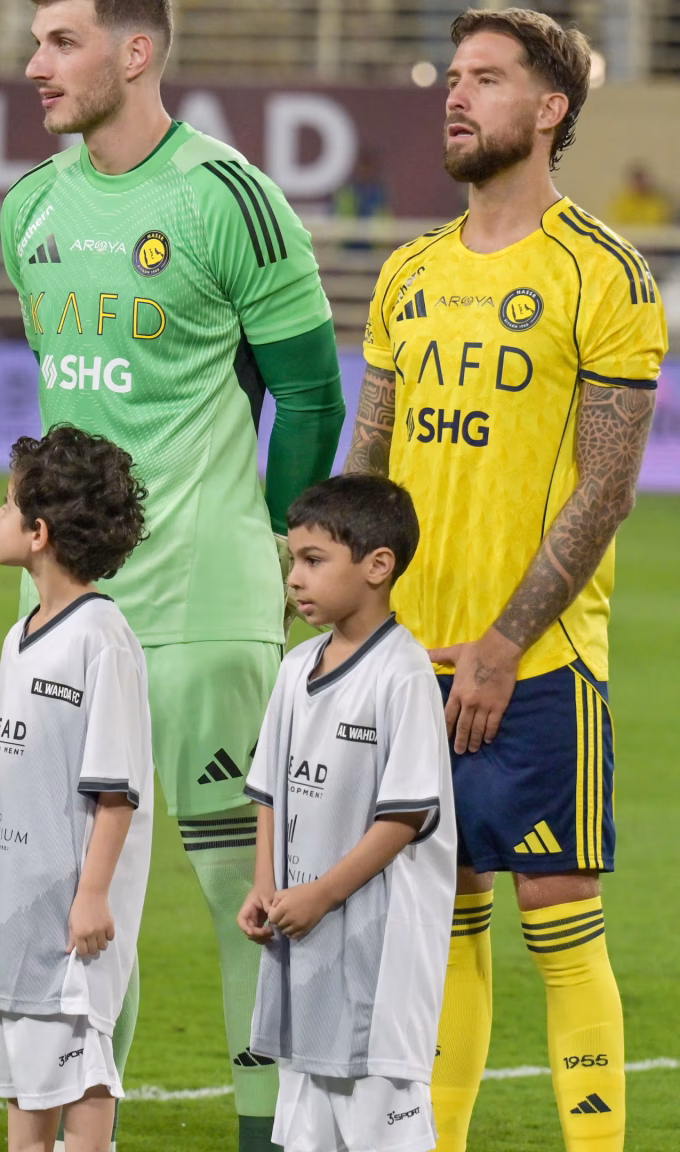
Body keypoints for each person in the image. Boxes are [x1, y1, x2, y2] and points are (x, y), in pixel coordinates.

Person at [0, 4, 349, 1147]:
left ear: (134, 51)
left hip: (202, 599)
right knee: (76, 894)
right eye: (34, 41)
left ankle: (267, 1135)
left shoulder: (226, 198)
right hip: (66, 611)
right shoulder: (29, 205)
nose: (34, 64)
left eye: (60, 41)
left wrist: (278, 543)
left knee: (239, 891)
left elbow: (308, 393)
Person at [343, 11, 663, 1151]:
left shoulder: (603, 272)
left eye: (485, 77)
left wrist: (502, 642)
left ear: (549, 108)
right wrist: (349, 625)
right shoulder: (408, 271)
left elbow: (606, 487)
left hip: (537, 664)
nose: (455, 94)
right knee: (441, 914)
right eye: (453, 75)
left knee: (557, 914)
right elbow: (368, 464)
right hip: (406, 661)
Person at [238, 475, 455, 1152]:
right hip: (302, 941)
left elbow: (402, 819)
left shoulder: (404, 673)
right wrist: (265, 884)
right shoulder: (296, 666)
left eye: (314, 560)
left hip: (377, 958)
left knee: (379, 1122)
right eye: (293, 560)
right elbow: (268, 791)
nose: (294, 577)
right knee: (309, 1126)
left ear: (377, 565)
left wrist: (322, 895)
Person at [0, 426, 151, 1152]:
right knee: (22, 1076)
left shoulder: (102, 637)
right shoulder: (20, 637)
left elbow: (116, 788)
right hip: (12, 897)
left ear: (38, 533)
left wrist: (93, 895)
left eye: (8, 506)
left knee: (79, 1070)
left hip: (71, 913)